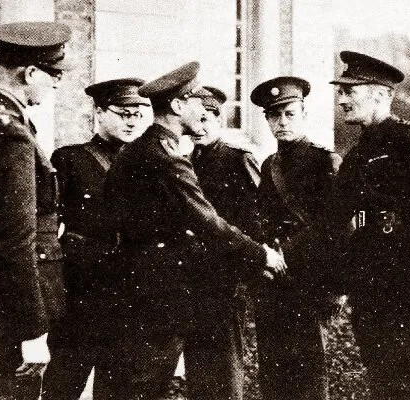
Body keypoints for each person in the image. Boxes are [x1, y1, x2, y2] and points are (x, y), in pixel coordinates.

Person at [101, 61, 286, 399]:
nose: (203, 111)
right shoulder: (166, 156)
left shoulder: (135, 150)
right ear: (177, 106)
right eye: (196, 102)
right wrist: (261, 255)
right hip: (160, 291)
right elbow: (206, 220)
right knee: (145, 386)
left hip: (134, 284)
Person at [327, 51, 410, 399]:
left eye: (350, 91)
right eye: (341, 91)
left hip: (406, 287)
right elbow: (336, 216)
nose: (342, 99)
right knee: (381, 379)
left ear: (380, 94)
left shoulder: (409, 145)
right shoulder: (359, 151)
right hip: (368, 286)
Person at [0, 21, 71, 399]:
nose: (57, 84)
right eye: (54, 75)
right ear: (29, 73)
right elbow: (15, 239)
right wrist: (31, 331)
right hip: (2, 315)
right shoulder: (8, 131)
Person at [42, 78, 151, 399]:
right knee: (64, 382)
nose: (132, 122)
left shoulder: (148, 162)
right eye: (123, 113)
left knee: (119, 386)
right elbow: (49, 225)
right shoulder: (70, 159)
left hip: (129, 293)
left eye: (138, 114)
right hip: (81, 291)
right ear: (100, 113)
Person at [250, 76, 341, 400]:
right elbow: (262, 219)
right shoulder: (269, 165)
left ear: (304, 114)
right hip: (274, 282)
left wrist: (335, 288)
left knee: (309, 377)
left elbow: (335, 227)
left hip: (308, 283)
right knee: (273, 375)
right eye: (275, 116)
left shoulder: (325, 162)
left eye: (289, 114)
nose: (282, 122)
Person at [186, 85, 261, 400]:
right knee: (197, 371)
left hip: (225, 281)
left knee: (226, 370)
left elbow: (255, 222)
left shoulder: (238, 160)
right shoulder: (186, 162)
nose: (199, 128)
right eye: (194, 121)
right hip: (191, 280)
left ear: (219, 119)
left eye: (206, 120)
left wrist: (241, 275)